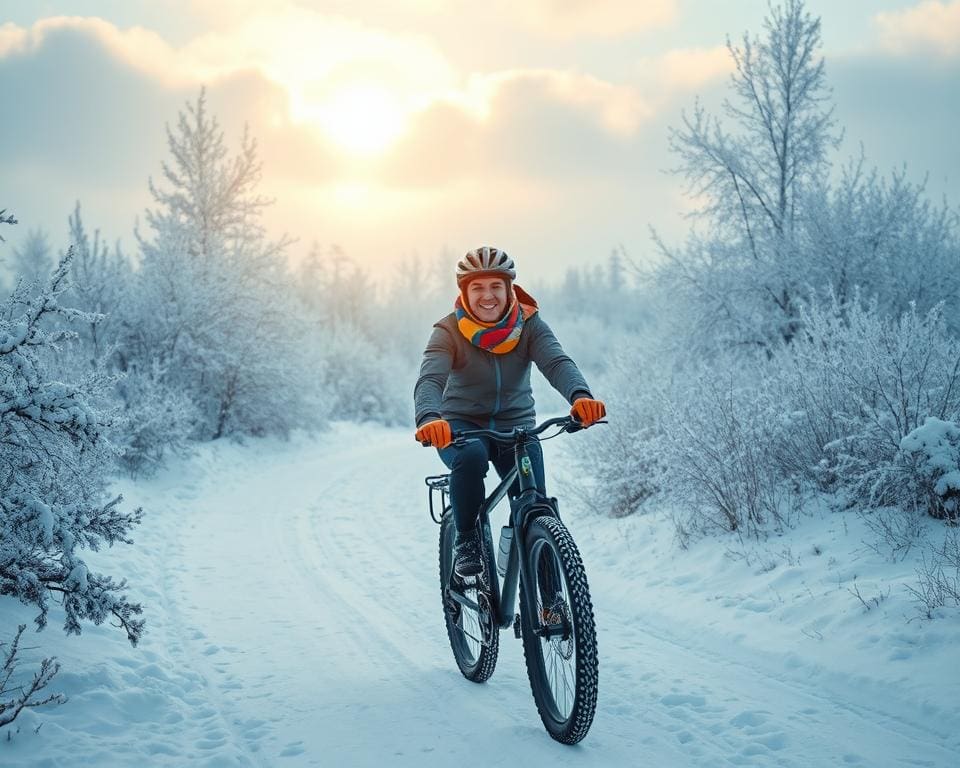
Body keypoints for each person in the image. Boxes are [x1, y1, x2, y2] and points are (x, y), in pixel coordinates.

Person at [414, 246, 606, 578]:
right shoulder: (448, 331)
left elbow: (556, 362)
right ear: (464, 292)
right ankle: (467, 539)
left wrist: (580, 396)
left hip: (517, 427)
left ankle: (548, 599)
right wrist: (430, 418)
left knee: (534, 502)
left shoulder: (529, 325)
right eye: (477, 287)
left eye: (495, 286)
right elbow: (431, 378)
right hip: (460, 425)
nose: (487, 296)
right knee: (471, 458)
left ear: (509, 289)